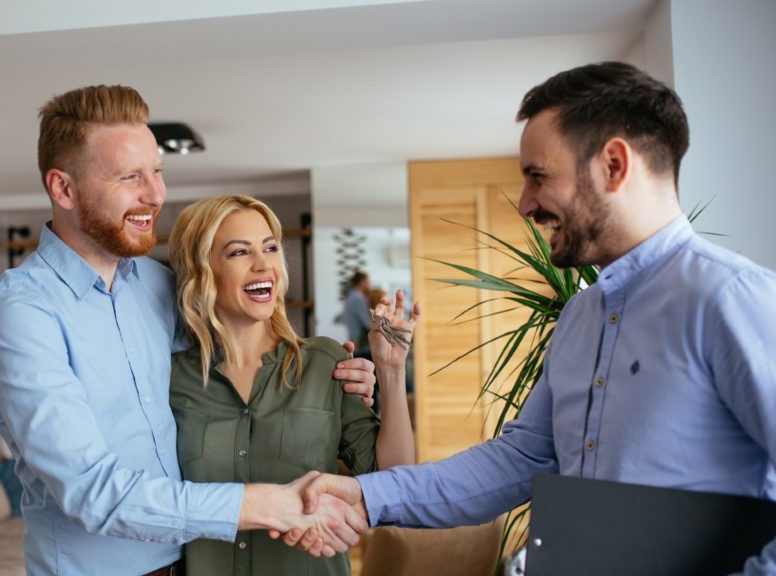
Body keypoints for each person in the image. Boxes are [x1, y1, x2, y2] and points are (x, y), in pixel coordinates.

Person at [287, 62, 776, 575]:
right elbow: (521, 460)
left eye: (538, 177)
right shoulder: (581, 316)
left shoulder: (731, 300)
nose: (525, 204)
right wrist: (365, 494)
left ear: (613, 164)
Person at [0, 85, 376, 576]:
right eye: (130, 177)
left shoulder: (156, 285)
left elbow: (234, 367)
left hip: (189, 563)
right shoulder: (22, 313)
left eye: (157, 172)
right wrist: (269, 505)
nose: (156, 195)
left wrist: (349, 374)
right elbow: (90, 491)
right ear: (63, 189)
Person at [167, 195, 418, 575]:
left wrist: (391, 371)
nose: (263, 264)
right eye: (239, 252)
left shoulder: (325, 363)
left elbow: (394, 481)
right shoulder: (171, 379)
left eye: (270, 247)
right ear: (202, 270)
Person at [342, 270, 372, 356]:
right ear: (362, 282)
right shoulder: (358, 300)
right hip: (364, 348)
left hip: (356, 346)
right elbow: (369, 324)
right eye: (368, 281)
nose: (370, 284)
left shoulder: (349, 298)